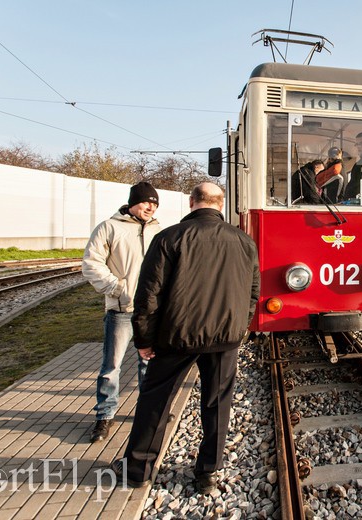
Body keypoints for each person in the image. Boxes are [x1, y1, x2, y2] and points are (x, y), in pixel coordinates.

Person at [112, 181, 260, 493]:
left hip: (176, 336)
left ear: (192, 202)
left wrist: (143, 338)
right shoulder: (244, 241)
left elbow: (149, 293)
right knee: (217, 404)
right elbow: (252, 293)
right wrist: (240, 327)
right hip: (225, 338)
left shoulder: (169, 237)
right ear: (220, 205)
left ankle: (138, 469)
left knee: (156, 400)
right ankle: (207, 473)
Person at [82, 181, 161, 443]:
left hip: (149, 311)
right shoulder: (109, 228)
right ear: (132, 202)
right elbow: (91, 264)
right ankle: (104, 416)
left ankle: (147, 412)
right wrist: (117, 288)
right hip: (121, 310)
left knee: (149, 364)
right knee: (111, 366)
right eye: (146, 201)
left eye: (154, 203)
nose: (150, 206)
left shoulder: (158, 230)